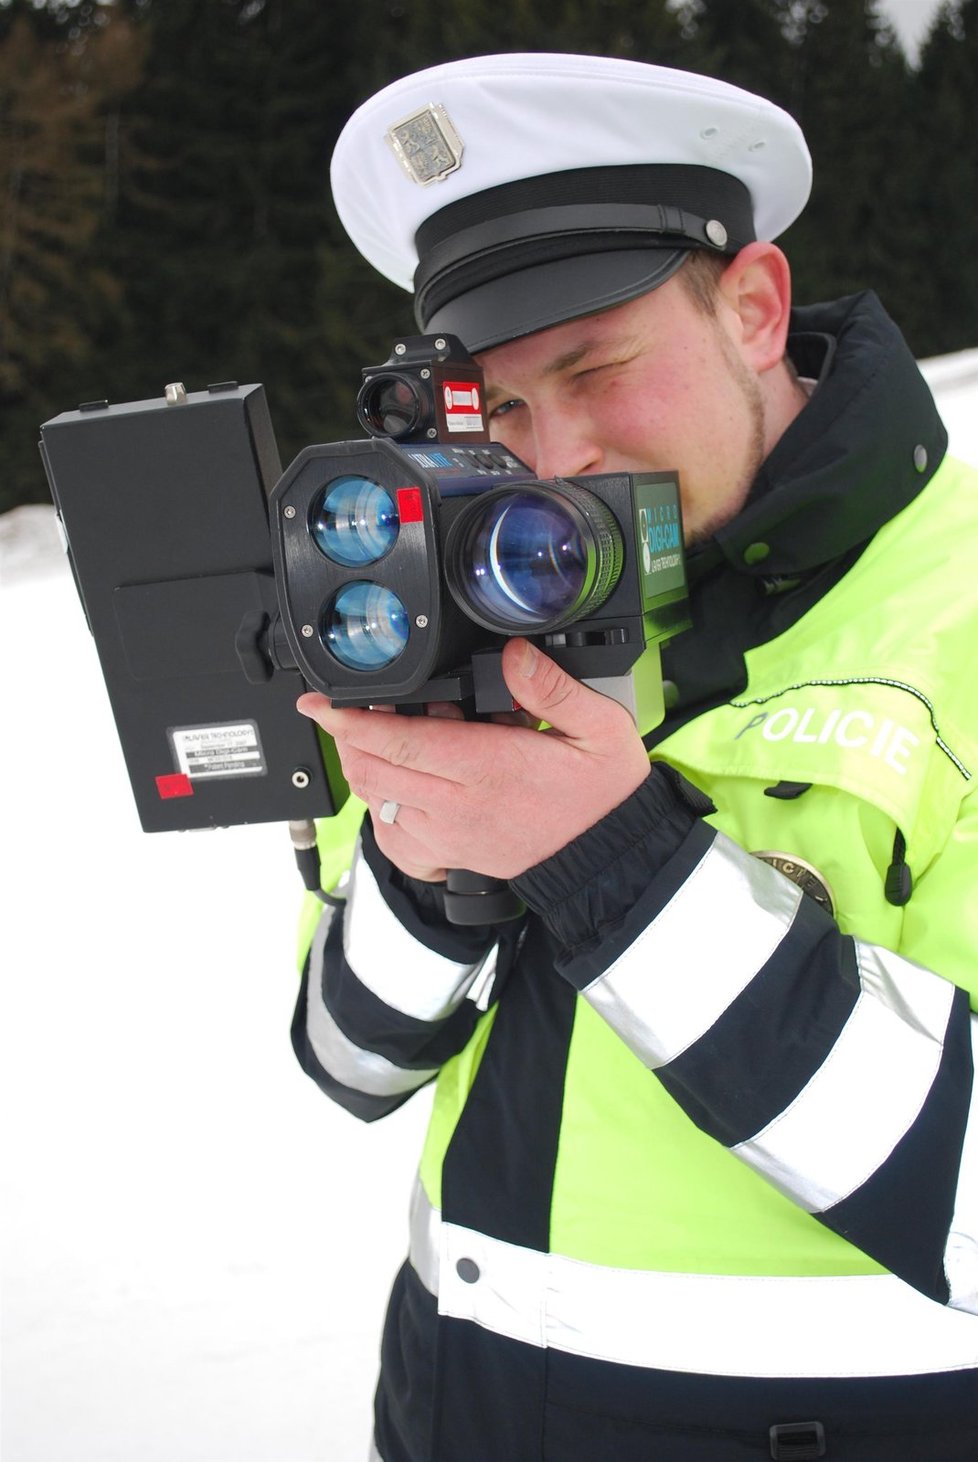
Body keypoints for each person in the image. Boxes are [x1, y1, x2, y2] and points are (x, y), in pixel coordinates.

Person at [291, 53, 978, 1461]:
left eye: (596, 366)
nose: (564, 456)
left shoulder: (956, 605)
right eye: (503, 412)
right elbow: (345, 1058)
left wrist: (617, 863)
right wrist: (435, 886)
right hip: (454, 1405)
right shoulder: (469, 611)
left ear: (751, 305)